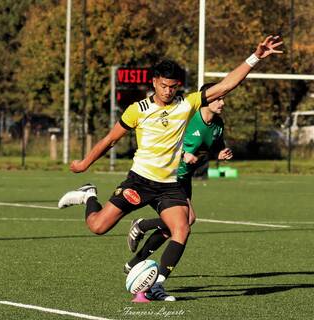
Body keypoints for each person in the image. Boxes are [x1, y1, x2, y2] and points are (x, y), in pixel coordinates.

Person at [58, 35, 283, 301]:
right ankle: (89, 195)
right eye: (164, 86)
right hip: (139, 182)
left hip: (169, 186)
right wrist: (84, 163)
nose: (168, 91)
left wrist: (255, 57)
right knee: (97, 226)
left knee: (182, 227)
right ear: (154, 82)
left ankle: (157, 284)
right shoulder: (137, 110)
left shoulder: (186, 104)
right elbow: (109, 140)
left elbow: (226, 85)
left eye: (173, 86)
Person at [124, 82, 233, 274]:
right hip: (170, 176)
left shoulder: (217, 124)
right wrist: (183, 154)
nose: (222, 102)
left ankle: (135, 260)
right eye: (217, 98)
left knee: (179, 224)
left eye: (223, 98)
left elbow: (215, 146)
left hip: (185, 177)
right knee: (187, 220)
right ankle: (143, 229)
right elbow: (169, 138)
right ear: (206, 99)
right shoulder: (190, 118)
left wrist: (221, 153)